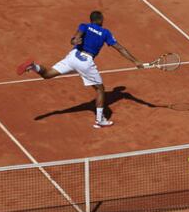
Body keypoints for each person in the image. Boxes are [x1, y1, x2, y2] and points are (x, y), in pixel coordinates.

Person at [16, 11, 144, 128]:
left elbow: (77, 36)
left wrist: (74, 40)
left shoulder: (85, 26)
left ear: (91, 20)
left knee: (48, 74)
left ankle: (33, 66)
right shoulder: (106, 33)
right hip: (85, 62)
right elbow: (120, 48)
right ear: (101, 20)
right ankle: (99, 120)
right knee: (100, 89)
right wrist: (136, 61)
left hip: (72, 56)